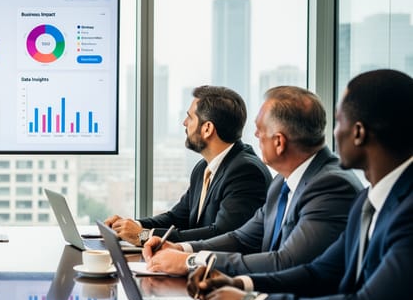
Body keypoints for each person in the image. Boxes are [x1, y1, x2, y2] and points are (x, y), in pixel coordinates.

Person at [190, 69, 413, 300]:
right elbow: (318, 272)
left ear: (359, 132)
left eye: (338, 122)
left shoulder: (406, 210)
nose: (332, 134)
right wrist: (240, 284)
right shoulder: (368, 201)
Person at [143, 86, 362, 275]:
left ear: (279, 142)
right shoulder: (281, 184)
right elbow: (242, 238)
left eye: (260, 129)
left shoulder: (331, 186)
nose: (255, 135)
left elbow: (287, 262)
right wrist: (183, 249)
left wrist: (192, 261)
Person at [106, 85, 271, 245]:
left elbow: (221, 235)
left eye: (190, 117)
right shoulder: (203, 168)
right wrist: (130, 226)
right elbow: (178, 218)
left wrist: (143, 236)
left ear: (207, 128)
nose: (185, 123)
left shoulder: (246, 172)